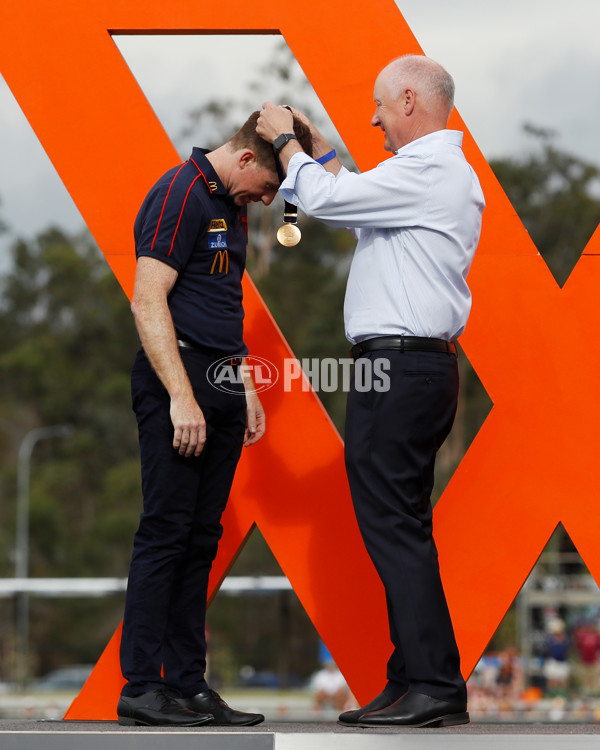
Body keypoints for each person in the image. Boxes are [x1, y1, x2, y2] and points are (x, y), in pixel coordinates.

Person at [257, 54, 485, 728]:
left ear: (410, 100)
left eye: (382, 105)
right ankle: (414, 676)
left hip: (400, 370)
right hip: (407, 369)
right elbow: (358, 208)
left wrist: (284, 142)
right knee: (399, 525)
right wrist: (319, 150)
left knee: (393, 526)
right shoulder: (426, 176)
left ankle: (433, 684)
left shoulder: (429, 171)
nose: (374, 119)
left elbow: (328, 202)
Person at [117, 112, 312, 727]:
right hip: (181, 384)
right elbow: (148, 297)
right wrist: (181, 394)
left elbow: (222, 298)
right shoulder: (179, 192)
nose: (270, 198)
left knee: (202, 541)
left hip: (223, 384)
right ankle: (142, 686)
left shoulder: (233, 200)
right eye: (269, 185)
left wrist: (247, 382)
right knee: (166, 531)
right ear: (248, 160)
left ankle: (188, 684)